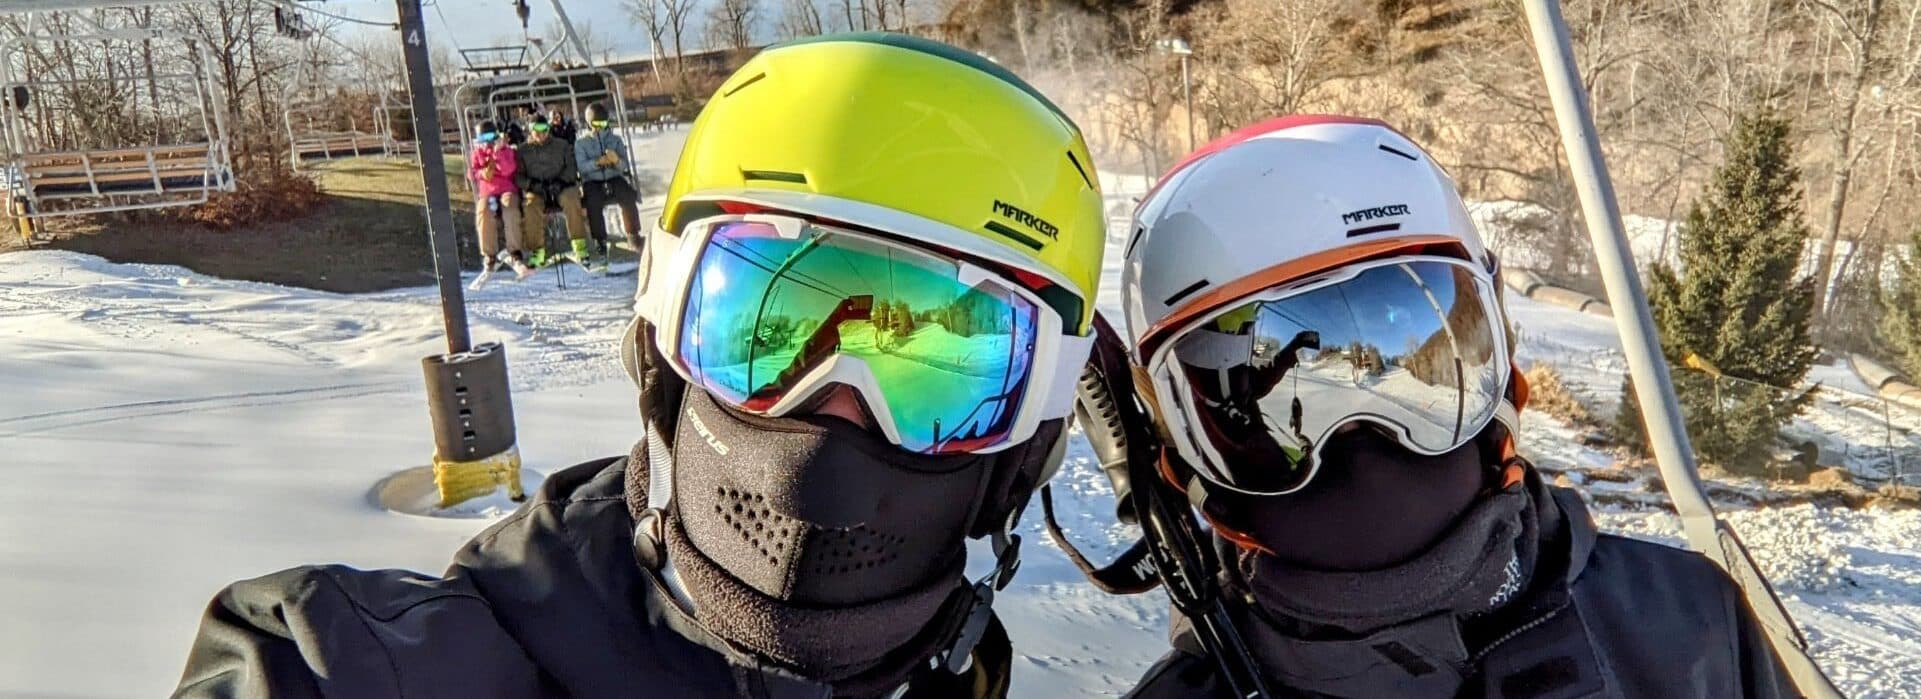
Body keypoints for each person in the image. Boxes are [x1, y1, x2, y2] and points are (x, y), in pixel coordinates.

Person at [171, 32, 1107, 698]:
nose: (828, 432)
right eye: (766, 332)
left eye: (939, 363)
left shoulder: (953, 674)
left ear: (1026, 453)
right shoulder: (375, 668)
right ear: (658, 350)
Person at [1114, 116, 1797, 698]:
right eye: (1268, 421)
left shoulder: (1688, 621)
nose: (1364, 449)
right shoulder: (1677, 616)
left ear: (1501, 354)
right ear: (1175, 446)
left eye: (1418, 363)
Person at [514, 113, 595, 271]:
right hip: (538, 189)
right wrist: (533, 185)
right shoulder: (523, 151)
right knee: (530, 206)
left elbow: (571, 168)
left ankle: (579, 245)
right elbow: (519, 176)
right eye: (536, 129)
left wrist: (561, 181)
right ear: (530, 130)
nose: (541, 133)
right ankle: (537, 251)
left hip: (561, 186)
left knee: (572, 199)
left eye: (544, 128)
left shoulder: (562, 145)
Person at [574, 101, 642, 256]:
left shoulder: (615, 140)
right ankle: (600, 239)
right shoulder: (582, 143)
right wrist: (597, 163)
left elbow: (624, 165)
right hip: (593, 179)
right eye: (596, 123)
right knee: (593, 201)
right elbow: (582, 167)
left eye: (603, 123)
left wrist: (616, 161)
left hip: (613, 176)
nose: (600, 127)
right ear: (589, 123)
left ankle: (633, 234)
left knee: (627, 195)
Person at [466, 120, 530, 280]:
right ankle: (489, 254)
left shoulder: (506, 150)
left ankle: (515, 251)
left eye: (490, 137)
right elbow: (471, 173)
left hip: (507, 190)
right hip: (488, 192)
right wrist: (482, 173)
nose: (487, 142)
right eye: (483, 138)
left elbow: (509, 170)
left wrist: (497, 153)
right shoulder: (477, 153)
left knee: (510, 210)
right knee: (484, 212)